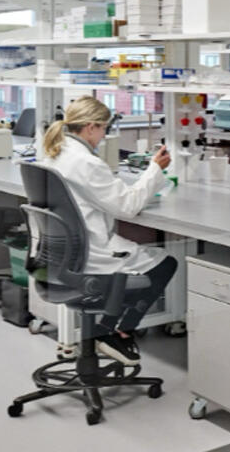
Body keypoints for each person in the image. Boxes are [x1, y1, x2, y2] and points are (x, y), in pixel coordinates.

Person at [39, 96, 174, 366]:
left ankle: (107, 330)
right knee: (165, 264)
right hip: (88, 255)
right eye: (103, 129)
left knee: (138, 257)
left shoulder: (55, 152)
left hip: (56, 256)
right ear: (90, 127)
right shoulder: (86, 162)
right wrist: (154, 170)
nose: (104, 135)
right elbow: (127, 206)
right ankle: (115, 331)